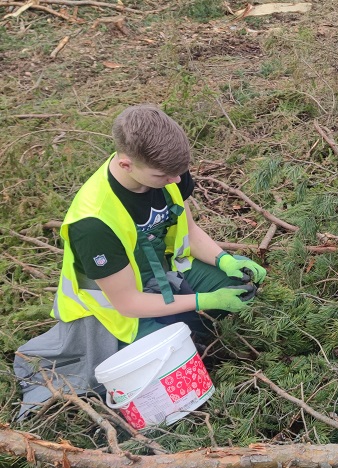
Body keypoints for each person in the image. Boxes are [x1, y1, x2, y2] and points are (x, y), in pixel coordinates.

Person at [15, 104, 266, 414]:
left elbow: (189, 228)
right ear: (126, 164)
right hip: (116, 315)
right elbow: (128, 303)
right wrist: (204, 300)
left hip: (163, 273)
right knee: (166, 382)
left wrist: (225, 260)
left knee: (239, 284)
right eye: (163, 175)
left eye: (179, 172)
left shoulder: (170, 172)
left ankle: (196, 331)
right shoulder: (93, 223)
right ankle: (174, 336)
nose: (176, 180)